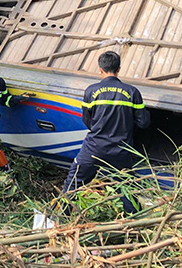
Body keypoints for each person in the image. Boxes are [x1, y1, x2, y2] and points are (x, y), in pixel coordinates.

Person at [62, 51, 150, 214]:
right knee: (126, 187)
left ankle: (59, 218)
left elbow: (87, 120)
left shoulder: (91, 91)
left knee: (73, 183)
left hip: (94, 148)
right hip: (121, 150)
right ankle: (132, 222)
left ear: (100, 69)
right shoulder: (132, 92)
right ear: (119, 69)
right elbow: (144, 123)